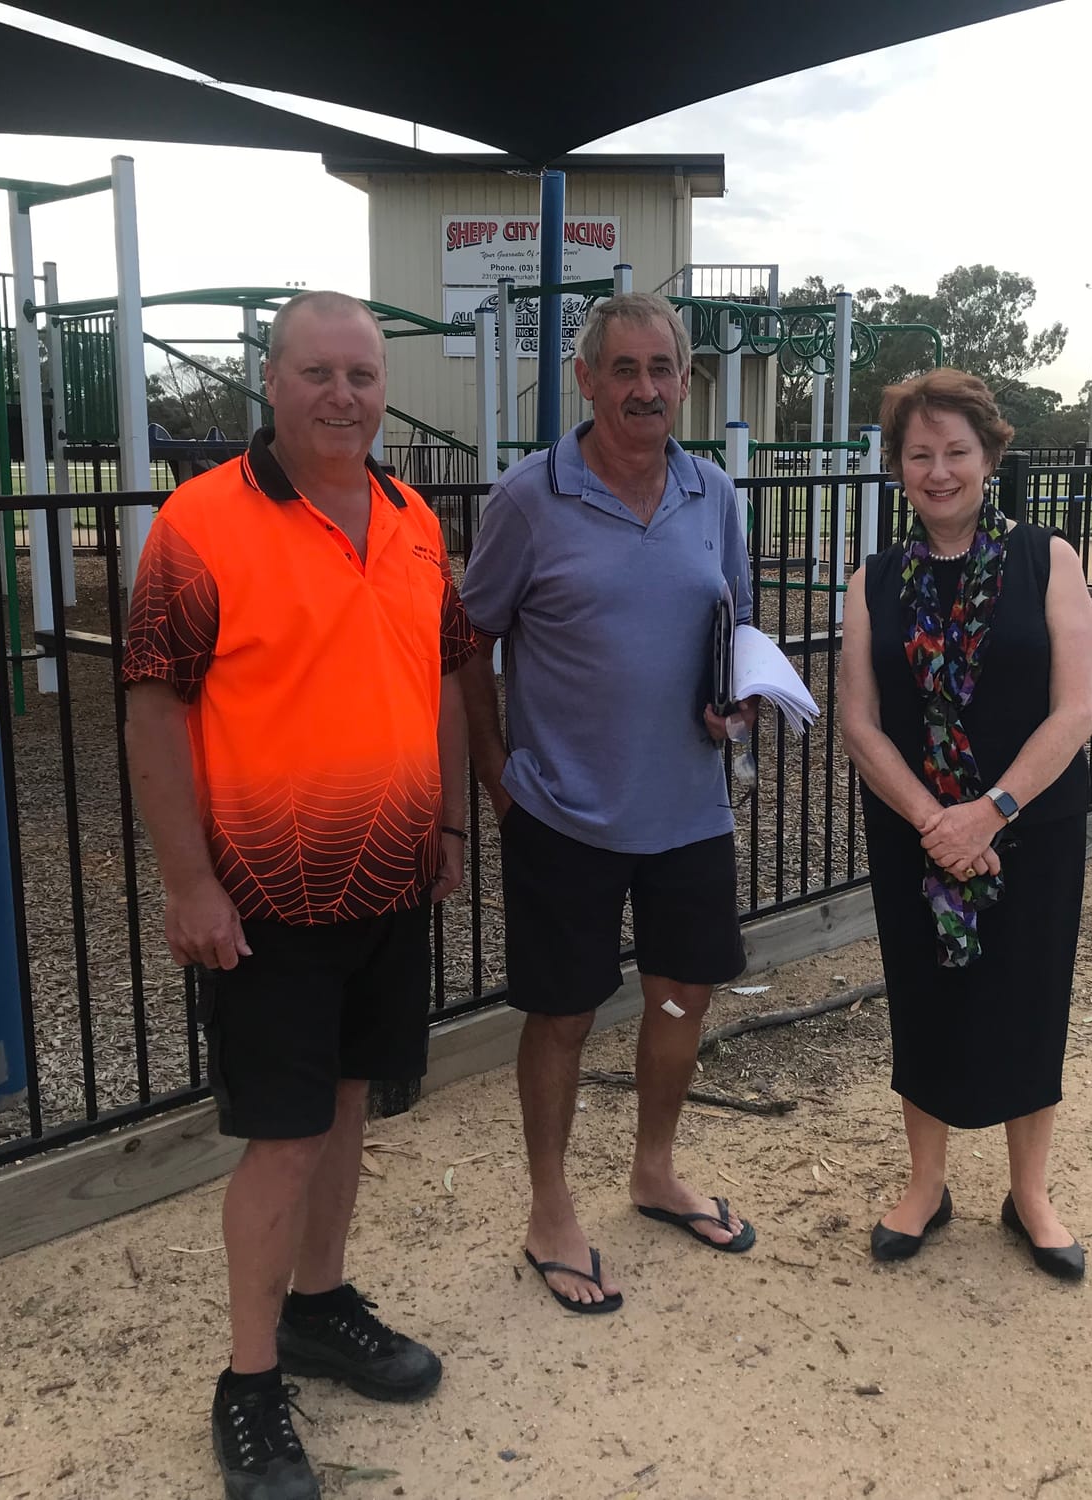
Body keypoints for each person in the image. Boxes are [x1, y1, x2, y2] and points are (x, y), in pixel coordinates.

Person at [123, 291, 477, 1500]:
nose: (343, 396)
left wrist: (443, 817)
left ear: (384, 389)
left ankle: (321, 1307)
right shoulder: (199, 523)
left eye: (363, 375)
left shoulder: (413, 517)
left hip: (386, 881)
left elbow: (438, 673)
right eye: (318, 372)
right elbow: (156, 706)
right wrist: (187, 880)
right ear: (268, 382)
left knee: (343, 1115)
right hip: (263, 896)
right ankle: (249, 1378)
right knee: (279, 1142)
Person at [457, 292, 758, 1314]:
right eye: (621, 370)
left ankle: (653, 1169)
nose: (643, 389)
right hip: (562, 818)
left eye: (660, 369)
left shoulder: (712, 492)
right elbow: (469, 638)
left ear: (684, 381)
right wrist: (496, 775)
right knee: (562, 1017)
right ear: (584, 381)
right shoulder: (527, 499)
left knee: (679, 999)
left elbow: (735, 631)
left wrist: (737, 702)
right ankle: (550, 1208)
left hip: (687, 815)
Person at [836, 368, 1092, 1280]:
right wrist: (935, 822)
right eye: (920, 455)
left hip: (1031, 827)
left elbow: (1075, 711)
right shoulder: (873, 582)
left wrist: (989, 812)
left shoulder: (1049, 559)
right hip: (917, 836)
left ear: (990, 457)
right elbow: (859, 723)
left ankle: (1030, 1192)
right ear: (899, 467)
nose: (938, 471)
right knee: (924, 996)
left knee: (1032, 997)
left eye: (956, 452)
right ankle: (926, 1183)